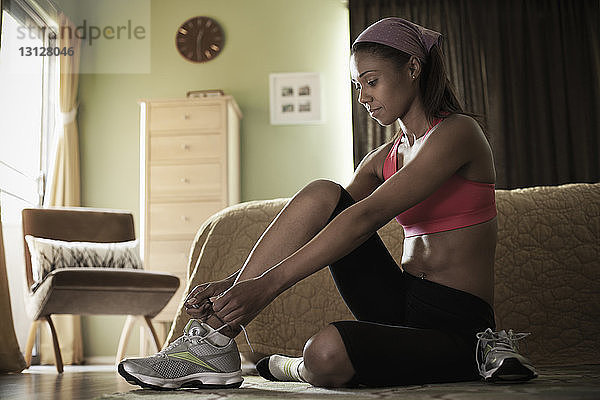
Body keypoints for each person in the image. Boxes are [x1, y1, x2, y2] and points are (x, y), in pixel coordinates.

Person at [118, 17, 537, 390]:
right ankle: (215, 342)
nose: (363, 98)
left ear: (413, 68)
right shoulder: (383, 158)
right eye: (358, 86)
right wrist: (233, 284)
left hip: (456, 323)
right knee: (324, 191)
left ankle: (292, 367)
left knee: (324, 354)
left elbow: (366, 216)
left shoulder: (458, 133)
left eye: (371, 82)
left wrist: (264, 288)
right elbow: (325, 216)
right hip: (397, 302)